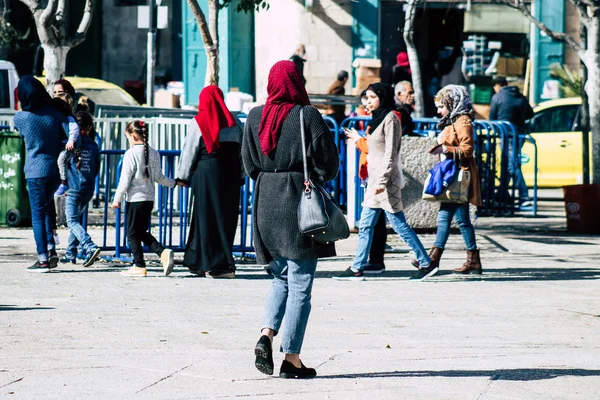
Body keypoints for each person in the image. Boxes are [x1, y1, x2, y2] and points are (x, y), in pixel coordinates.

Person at [243, 60, 339, 379]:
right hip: (298, 201)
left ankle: (265, 334)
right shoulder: (305, 115)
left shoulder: (255, 115)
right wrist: (312, 175)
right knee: (301, 282)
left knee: (280, 276)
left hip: (266, 202)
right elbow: (328, 162)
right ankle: (292, 358)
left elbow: (249, 165)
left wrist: (271, 177)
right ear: (296, 82)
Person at [333, 83, 431, 281]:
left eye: (371, 97)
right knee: (367, 225)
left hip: (385, 183)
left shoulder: (391, 119)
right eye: (366, 98)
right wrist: (357, 138)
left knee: (398, 225)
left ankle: (426, 263)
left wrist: (382, 181)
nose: (368, 102)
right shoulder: (376, 119)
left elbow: (390, 154)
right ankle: (357, 267)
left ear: (382, 97)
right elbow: (374, 147)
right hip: (375, 181)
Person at [176, 85, 243, 279]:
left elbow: (189, 151)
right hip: (230, 175)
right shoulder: (235, 122)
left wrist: (183, 177)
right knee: (226, 219)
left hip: (206, 175)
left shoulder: (198, 122)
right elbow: (243, 152)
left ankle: (211, 265)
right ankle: (214, 263)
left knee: (204, 219)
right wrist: (240, 175)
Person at [416, 85, 482, 277]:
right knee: (462, 221)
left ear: (452, 103)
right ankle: (473, 260)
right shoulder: (453, 120)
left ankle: (433, 259)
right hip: (451, 177)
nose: (438, 111)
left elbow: (467, 150)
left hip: (458, 177)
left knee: (445, 217)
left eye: (441, 106)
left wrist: (445, 150)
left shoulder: (463, 121)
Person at [111, 120, 183, 277]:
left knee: (131, 233)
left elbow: (125, 179)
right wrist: (174, 183)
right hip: (149, 199)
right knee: (140, 231)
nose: (128, 140)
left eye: (128, 137)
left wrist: (117, 198)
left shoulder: (130, 154)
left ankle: (139, 265)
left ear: (134, 135)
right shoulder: (154, 153)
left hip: (135, 199)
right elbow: (159, 177)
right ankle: (162, 252)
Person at [14, 76, 69, 272]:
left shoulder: (20, 117)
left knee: (37, 215)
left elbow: (22, 134)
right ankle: (52, 251)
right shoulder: (55, 114)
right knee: (47, 211)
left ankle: (43, 259)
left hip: (34, 171)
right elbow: (68, 135)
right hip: (54, 170)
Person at [60, 111, 101, 267]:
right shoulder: (94, 145)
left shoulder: (70, 143)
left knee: (71, 221)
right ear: (90, 127)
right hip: (88, 188)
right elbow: (97, 167)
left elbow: (62, 162)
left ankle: (90, 246)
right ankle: (70, 254)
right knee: (75, 221)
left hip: (73, 187)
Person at [489, 76, 534, 208]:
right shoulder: (520, 96)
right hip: (519, 135)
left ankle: (524, 196)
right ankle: (501, 195)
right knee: (507, 164)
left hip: (506, 135)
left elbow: (492, 118)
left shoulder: (497, 97)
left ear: (497, 86)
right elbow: (530, 114)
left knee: (512, 165)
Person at [53, 94, 81, 196]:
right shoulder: (59, 117)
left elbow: (74, 128)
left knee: (61, 160)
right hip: (63, 144)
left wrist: (71, 140)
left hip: (69, 146)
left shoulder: (68, 118)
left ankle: (64, 182)